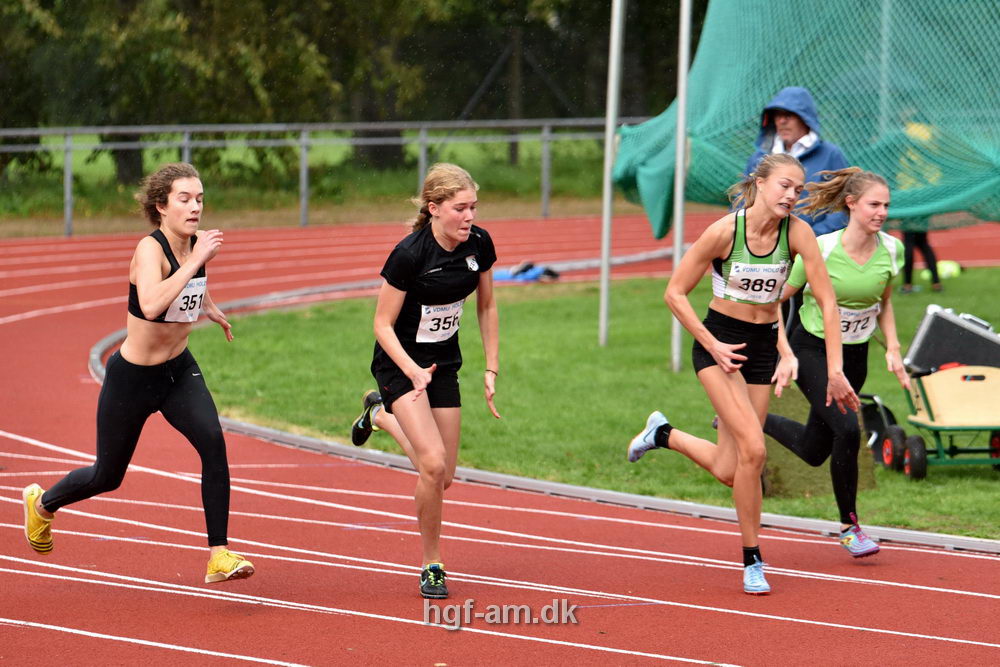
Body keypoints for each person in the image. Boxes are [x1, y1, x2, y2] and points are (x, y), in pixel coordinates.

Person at [626, 153, 859, 595]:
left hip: (762, 351)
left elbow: (827, 302)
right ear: (760, 183)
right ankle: (753, 559)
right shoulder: (723, 232)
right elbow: (675, 293)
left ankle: (663, 435)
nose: (791, 195)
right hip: (720, 346)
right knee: (755, 451)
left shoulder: (799, 234)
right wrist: (710, 342)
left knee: (733, 469)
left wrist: (834, 369)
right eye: (784, 186)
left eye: (798, 189)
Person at [22, 162, 254, 584]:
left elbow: (191, 287)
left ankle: (218, 554)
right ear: (161, 206)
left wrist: (210, 306)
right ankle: (43, 504)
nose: (195, 206)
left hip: (179, 372)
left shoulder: (196, 244)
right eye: (184, 198)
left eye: (200, 198)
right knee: (107, 475)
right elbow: (150, 304)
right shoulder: (151, 249)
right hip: (133, 378)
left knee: (213, 444)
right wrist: (197, 259)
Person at [364, 163, 500, 599]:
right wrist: (411, 370)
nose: (469, 217)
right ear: (434, 208)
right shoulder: (410, 254)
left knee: (443, 477)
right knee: (433, 463)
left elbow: (487, 307)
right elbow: (382, 325)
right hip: (400, 365)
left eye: (473, 207)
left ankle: (380, 418)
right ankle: (432, 563)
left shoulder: (479, 244)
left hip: (444, 364)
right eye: (460, 208)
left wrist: (491, 368)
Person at [764, 167, 909, 557]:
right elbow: (775, 300)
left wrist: (892, 348)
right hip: (812, 349)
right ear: (851, 204)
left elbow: (886, 301)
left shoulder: (893, 249)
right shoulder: (822, 248)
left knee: (814, 449)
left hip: (856, 356)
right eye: (874, 204)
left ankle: (744, 416)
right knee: (847, 429)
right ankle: (850, 527)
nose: (881, 212)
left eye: (886, 206)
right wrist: (785, 352)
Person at [745, 86, 850, 335]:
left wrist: (809, 237)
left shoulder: (831, 155)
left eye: (788, 114)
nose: (781, 120)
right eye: (777, 115)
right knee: (761, 334)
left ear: (806, 117)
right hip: (764, 261)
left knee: (806, 337)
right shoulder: (760, 158)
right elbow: (741, 203)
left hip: (815, 260)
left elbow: (846, 208)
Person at [900, 228, 942, 293]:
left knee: (909, 246)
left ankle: (907, 285)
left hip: (908, 222)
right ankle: (936, 283)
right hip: (920, 222)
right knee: (924, 245)